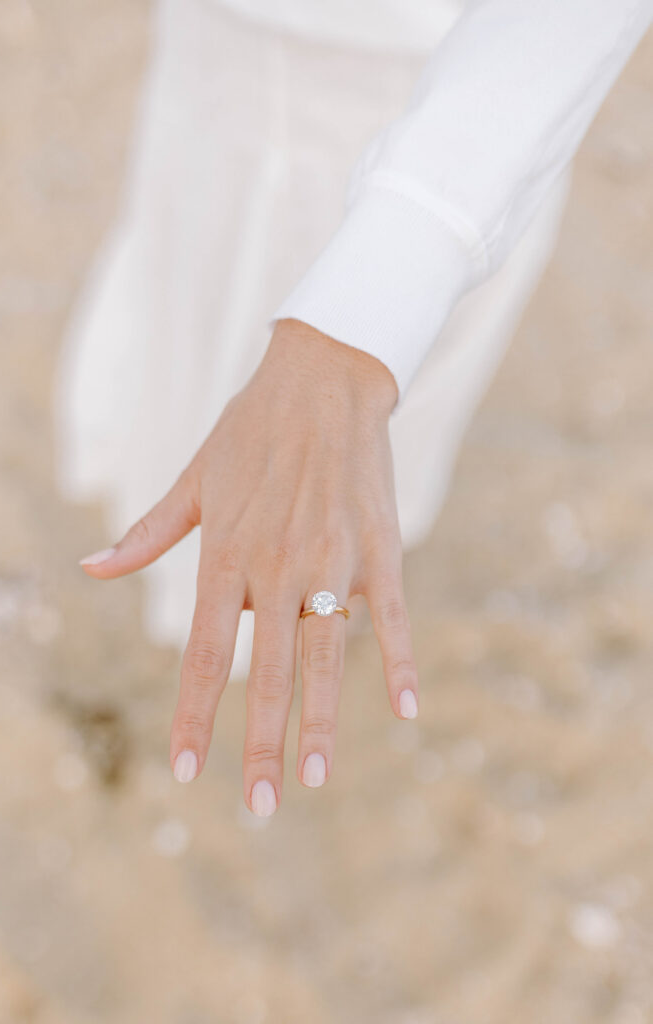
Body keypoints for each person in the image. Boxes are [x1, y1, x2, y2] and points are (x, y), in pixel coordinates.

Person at [56, 0, 652, 816]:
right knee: (205, 396)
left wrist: (354, 324)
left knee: (338, 450)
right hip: (218, 56)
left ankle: (300, 592)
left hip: (457, 111)